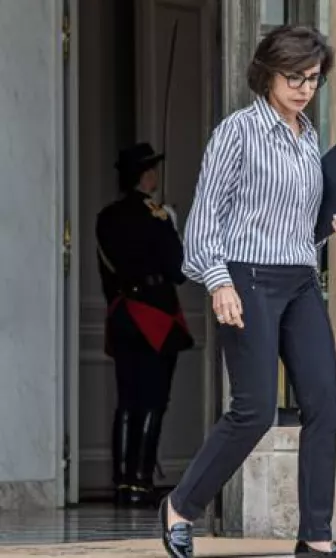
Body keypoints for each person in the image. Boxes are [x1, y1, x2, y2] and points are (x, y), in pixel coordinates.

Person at [158, 25, 336, 558]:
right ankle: (181, 505)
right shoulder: (237, 132)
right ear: (267, 73)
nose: (302, 87)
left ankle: (315, 536)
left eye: (313, 78)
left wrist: (326, 223)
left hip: (299, 278)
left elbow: (289, 222)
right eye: (292, 76)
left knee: (322, 400)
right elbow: (203, 222)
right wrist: (219, 281)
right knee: (254, 410)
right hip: (246, 277)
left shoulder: (308, 136)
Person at [96, 143, 195, 509]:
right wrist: (172, 226)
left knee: (127, 402)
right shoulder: (156, 216)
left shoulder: (106, 217)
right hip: (155, 316)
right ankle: (140, 482)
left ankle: (122, 484)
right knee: (153, 400)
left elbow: (106, 274)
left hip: (123, 315)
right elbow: (177, 270)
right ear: (145, 174)